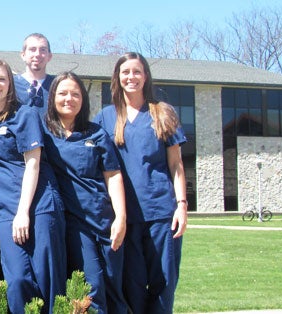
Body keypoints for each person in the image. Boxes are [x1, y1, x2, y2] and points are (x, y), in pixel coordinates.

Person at [93, 52, 188, 314]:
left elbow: (176, 164)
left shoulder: (163, 113)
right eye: (125, 72)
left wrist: (181, 205)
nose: (131, 77)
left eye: (136, 71)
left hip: (160, 213)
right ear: (117, 77)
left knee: (163, 282)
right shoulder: (106, 117)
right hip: (125, 216)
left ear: (145, 76)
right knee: (131, 285)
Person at [0, 59, 66, 314]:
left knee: (47, 276)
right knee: (17, 279)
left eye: (1, 79)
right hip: (4, 208)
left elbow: (33, 165)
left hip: (38, 203)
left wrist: (23, 212)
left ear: (10, 84)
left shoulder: (25, 115)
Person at [43, 72, 127, 314]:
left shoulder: (96, 133)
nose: (69, 98)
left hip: (104, 221)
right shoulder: (44, 133)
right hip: (74, 224)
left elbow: (113, 175)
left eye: (75, 94)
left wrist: (121, 218)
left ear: (83, 99)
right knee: (92, 286)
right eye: (63, 93)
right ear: (52, 98)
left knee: (114, 286)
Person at [13, 33, 54, 117]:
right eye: (32, 49)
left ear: (49, 56)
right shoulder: (10, 85)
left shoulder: (57, 86)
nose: (37, 54)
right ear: (23, 55)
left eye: (43, 50)